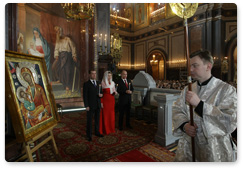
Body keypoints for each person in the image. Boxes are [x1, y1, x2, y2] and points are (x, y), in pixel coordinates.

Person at [172, 50, 237, 162]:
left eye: (195, 66)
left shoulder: (226, 90)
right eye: (190, 66)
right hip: (190, 145)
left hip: (214, 148)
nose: (190, 70)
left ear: (208, 66)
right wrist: (184, 125)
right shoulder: (188, 89)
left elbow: (230, 119)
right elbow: (177, 109)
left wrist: (200, 105)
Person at [52, 26, 78, 95]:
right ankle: (60, 80)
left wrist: (74, 55)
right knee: (58, 68)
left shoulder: (67, 39)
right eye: (56, 32)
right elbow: (56, 49)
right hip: (60, 56)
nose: (57, 33)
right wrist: (56, 55)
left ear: (61, 32)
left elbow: (73, 47)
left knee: (67, 71)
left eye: (58, 32)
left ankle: (67, 85)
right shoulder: (58, 40)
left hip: (67, 56)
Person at [83, 70, 104, 141]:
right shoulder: (86, 84)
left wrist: (101, 95)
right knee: (89, 121)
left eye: (95, 74)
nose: (94, 75)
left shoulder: (99, 83)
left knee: (97, 120)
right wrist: (86, 105)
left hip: (98, 105)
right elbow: (85, 96)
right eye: (92, 74)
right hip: (90, 105)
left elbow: (101, 92)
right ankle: (89, 135)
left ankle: (97, 132)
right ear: (89, 75)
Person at [99, 71, 117, 135]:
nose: (109, 77)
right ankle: (105, 129)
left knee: (111, 115)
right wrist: (101, 102)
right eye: (108, 75)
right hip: (105, 101)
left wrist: (115, 93)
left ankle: (111, 129)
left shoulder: (113, 83)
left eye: (110, 75)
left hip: (111, 100)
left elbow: (114, 91)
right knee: (105, 115)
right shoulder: (102, 83)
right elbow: (100, 93)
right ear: (106, 76)